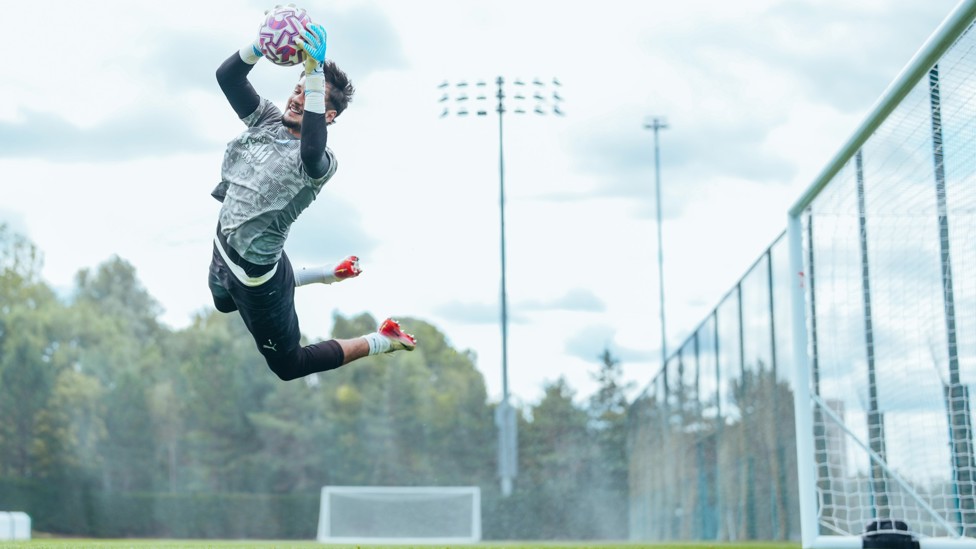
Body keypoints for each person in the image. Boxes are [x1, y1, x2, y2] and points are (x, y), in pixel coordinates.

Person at [207, 18, 416, 381]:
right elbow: (228, 78)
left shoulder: (320, 162)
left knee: (291, 367)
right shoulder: (266, 121)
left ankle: (382, 339)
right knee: (223, 303)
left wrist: (315, 72)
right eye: (298, 88)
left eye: (309, 93)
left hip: (257, 278)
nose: (297, 96)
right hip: (221, 246)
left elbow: (311, 149)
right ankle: (324, 273)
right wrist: (260, 46)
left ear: (327, 113)